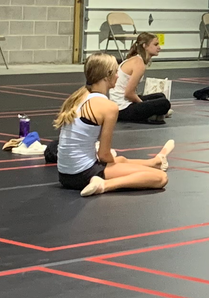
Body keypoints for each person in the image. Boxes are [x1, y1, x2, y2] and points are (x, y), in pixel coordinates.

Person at [53, 53, 173, 196]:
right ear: (106, 76)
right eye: (116, 72)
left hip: (65, 174)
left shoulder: (77, 98)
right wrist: (115, 166)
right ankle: (104, 185)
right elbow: (104, 155)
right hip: (83, 174)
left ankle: (154, 162)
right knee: (160, 178)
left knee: (121, 160)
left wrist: (119, 163)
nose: (118, 76)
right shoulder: (108, 107)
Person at [111, 32, 172, 123]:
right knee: (164, 103)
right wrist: (143, 104)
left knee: (160, 96)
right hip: (122, 109)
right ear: (145, 46)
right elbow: (129, 93)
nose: (159, 47)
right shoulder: (139, 64)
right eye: (155, 44)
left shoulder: (136, 59)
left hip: (122, 104)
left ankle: (153, 114)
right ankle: (151, 115)